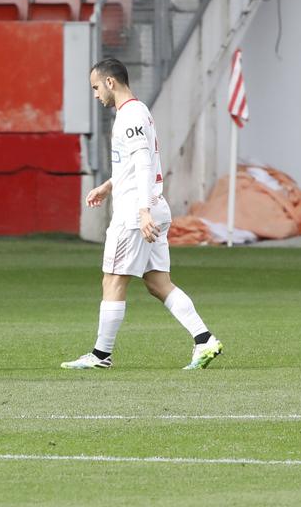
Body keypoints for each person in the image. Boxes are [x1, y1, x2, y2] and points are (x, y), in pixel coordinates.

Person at [62, 58, 224, 371]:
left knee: (113, 278)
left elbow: (145, 163)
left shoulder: (130, 115)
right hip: (148, 207)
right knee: (157, 282)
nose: (96, 95)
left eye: (96, 87)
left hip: (136, 213)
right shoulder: (137, 112)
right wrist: (109, 186)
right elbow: (134, 163)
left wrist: (143, 211)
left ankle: (100, 356)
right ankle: (204, 340)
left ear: (110, 82)